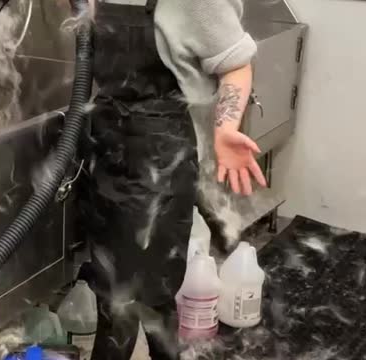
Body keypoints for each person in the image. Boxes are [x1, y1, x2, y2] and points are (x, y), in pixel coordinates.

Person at [75, 0, 268, 359]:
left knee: (131, 302)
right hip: (106, 140)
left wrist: (226, 129)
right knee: (121, 292)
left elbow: (236, 65)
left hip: (158, 151)